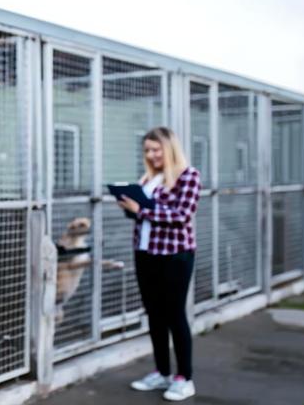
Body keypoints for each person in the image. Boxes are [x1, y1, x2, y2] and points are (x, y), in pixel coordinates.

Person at [116, 126, 201, 402]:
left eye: (156, 149)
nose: (151, 155)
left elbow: (182, 215)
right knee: (154, 315)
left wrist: (142, 209)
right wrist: (130, 207)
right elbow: (144, 218)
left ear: (170, 148)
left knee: (175, 315)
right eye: (147, 151)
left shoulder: (188, 176)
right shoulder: (147, 179)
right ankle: (162, 372)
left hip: (175, 255)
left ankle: (184, 378)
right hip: (145, 253)